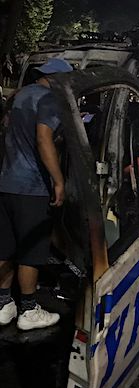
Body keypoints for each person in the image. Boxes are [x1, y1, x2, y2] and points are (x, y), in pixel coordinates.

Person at [0, 57, 72, 330]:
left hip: (7, 182)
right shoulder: (49, 100)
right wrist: (58, 180)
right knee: (31, 249)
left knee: (5, 246)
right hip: (31, 187)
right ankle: (29, 309)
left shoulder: (20, 95)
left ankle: (3, 304)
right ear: (56, 79)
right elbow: (43, 138)